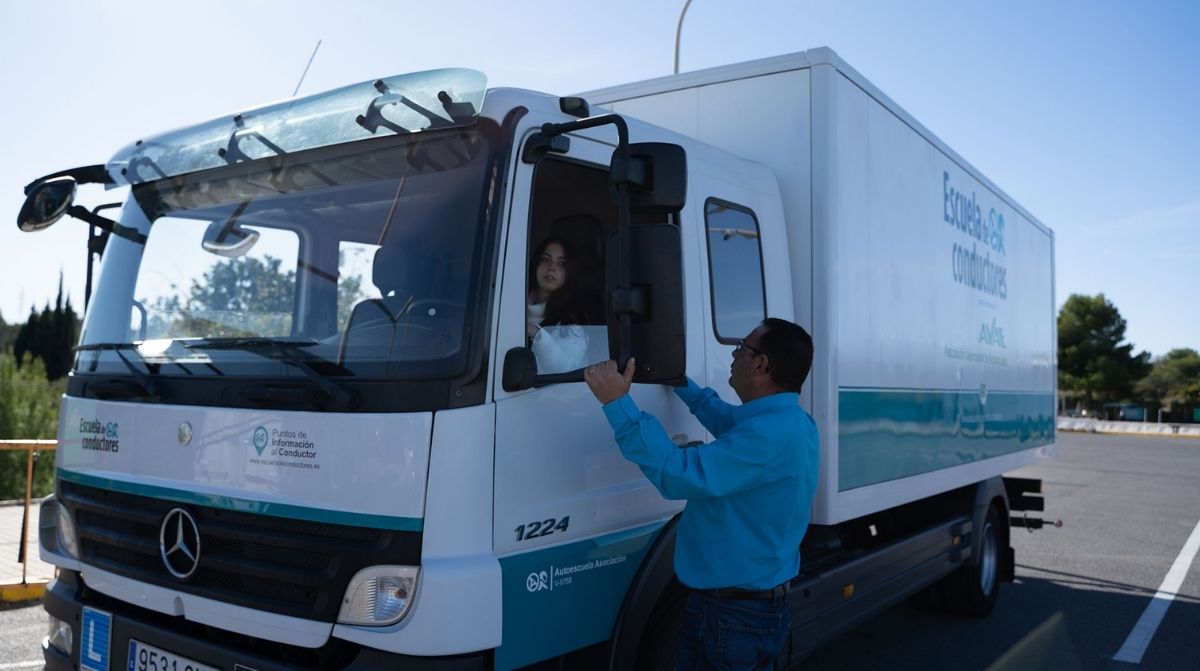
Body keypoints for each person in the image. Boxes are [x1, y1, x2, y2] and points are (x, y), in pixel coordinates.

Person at [583, 318, 819, 670]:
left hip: (733, 614)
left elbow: (676, 475)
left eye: (742, 347)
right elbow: (729, 422)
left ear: (761, 364)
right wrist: (680, 382)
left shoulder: (765, 436)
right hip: (746, 608)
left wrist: (618, 403)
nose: (734, 355)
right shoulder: (792, 422)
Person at [527, 236, 589, 373]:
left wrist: (537, 334)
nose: (551, 268)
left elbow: (564, 369)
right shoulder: (510, 303)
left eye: (561, 263)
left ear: (570, 272)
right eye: (545, 259)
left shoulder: (573, 323)